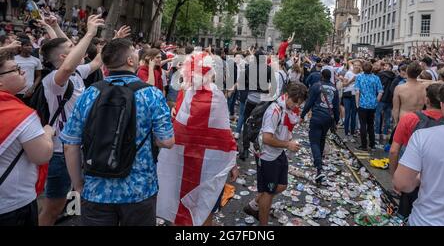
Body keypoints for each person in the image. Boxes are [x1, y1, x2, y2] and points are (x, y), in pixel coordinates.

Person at [61, 39, 175, 226]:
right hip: (139, 189)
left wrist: (79, 184)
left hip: (96, 189)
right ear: (130, 61)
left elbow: (70, 144)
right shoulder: (151, 94)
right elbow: (167, 141)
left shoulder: (89, 93)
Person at [156, 52, 238, 226]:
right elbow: (224, 134)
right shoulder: (215, 97)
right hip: (209, 162)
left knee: (181, 199)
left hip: (184, 160)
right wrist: (232, 162)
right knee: (205, 206)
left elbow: (176, 127)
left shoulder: (186, 94)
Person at [38, 15, 104, 226]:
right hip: (59, 153)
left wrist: (55, 26)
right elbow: (66, 64)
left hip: (78, 148)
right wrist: (90, 33)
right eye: (72, 47)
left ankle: (72, 215)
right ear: (65, 56)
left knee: (74, 194)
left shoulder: (77, 73)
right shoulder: (54, 79)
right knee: (51, 209)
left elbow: (95, 62)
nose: (79, 49)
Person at [0, 50, 54, 226]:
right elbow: (42, 155)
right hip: (13, 205)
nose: (22, 72)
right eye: (15, 69)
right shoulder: (21, 115)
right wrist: (47, 133)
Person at [244, 82, 307, 225]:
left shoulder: (288, 109)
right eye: (295, 102)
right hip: (267, 155)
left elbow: (288, 124)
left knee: (282, 185)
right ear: (287, 96)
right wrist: (288, 144)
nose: (297, 106)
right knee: (269, 192)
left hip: (278, 153)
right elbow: (267, 139)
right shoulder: (275, 110)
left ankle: (253, 205)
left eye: (300, 103)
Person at [393, 81, 444, 226]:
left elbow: (402, 183)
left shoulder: (423, 136)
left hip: (427, 219)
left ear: (443, 106)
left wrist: (419, 177)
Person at [300, 69, 339, 183]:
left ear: (321, 76)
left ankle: (319, 168)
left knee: (314, 141)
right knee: (322, 139)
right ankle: (319, 162)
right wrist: (335, 121)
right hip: (328, 118)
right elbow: (336, 107)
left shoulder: (316, 86)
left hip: (317, 117)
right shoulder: (334, 88)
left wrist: (302, 115)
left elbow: (309, 102)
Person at [355, 61, 384, 151]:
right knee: (371, 124)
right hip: (372, 104)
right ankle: (372, 144)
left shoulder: (359, 77)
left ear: (362, 69)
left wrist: (357, 104)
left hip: (362, 104)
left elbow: (357, 91)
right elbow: (380, 91)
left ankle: (364, 145)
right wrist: (376, 101)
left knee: (363, 124)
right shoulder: (376, 78)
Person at [392, 61, 427, 128]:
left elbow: (395, 109)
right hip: (419, 119)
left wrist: (396, 124)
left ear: (407, 72)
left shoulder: (399, 88)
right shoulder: (424, 87)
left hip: (404, 119)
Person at [14, 38, 42, 105]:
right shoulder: (13, 59)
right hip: (15, 91)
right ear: (20, 48)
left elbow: (38, 76)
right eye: (26, 45)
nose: (29, 47)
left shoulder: (36, 60)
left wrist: (32, 88)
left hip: (29, 92)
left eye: (30, 45)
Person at [375, 62, 396, 145]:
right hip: (390, 99)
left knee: (378, 116)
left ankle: (377, 133)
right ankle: (384, 133)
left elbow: (378, 86)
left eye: (386, 66)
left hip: (381, 98)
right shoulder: (394, 76)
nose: (384, 67)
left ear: (390, 67)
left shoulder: (380, 75)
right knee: (387, 117)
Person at [341, 60, 362, 137]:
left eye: (358, 65)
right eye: (355, 65)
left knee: (354, 115)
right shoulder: (348, 73)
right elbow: (344, 85)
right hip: (347, 96)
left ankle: (352, 134)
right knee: (347, 114)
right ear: (353, 65)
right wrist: (351, 80)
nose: (356, 66)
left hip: (356, 97)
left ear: (360, 66)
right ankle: (346, 134)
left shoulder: (361, 75)